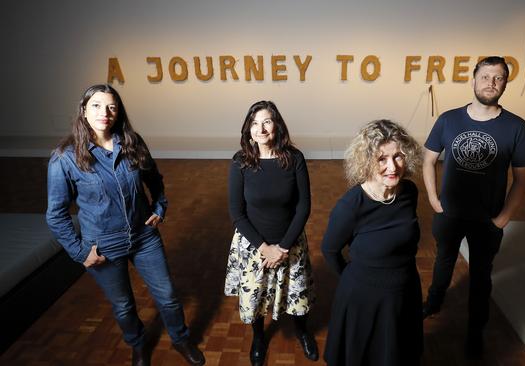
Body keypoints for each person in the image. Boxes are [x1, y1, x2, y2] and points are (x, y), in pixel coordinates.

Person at [46, 84, 205, 366]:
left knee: (167, 297)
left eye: (111, 106)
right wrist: (80, 252)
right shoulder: (64, 157)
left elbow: (154, 180)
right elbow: (56, 214)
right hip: (103, 245)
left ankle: (180, 339)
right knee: (123, 306)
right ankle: (139, 344)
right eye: (96, 105)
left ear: (118, 112)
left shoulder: (132, 142)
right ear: (83, 110)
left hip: (144, 236)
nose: (104, 113)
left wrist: (159, 207)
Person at [421, 56, 525, 358]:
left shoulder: (517, 127)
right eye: (486, 76)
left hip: (488, 220)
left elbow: (522, 180)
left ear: (505, 84)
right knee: (443, 261)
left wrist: (503, 218)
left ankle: (475, 331)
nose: (491, 83)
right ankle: (434, 302)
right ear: (473, 80)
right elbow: (429, 159)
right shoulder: (448, 119)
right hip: (449, 214)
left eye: (498, 78)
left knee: (481, 276)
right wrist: (434, 199)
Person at [321, 120, 423, 366]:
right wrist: (354, 278)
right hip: (365, 298)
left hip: (405, 292)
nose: (392, 167)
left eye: (398, 157)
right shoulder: (351, 205)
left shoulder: (409, 192)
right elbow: (330, 249)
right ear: (366, 161)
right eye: (382, 159)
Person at [225, 100, 318, 366]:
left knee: (298, 296)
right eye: (254, 123)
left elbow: (304, 206)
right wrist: (264, 248)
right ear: (248, 129)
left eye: (266, 121)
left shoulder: (294, 159)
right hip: (254, 246)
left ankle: (302, 332)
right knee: (255, 299)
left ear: (276, 125)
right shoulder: (240, 162)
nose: (260, 129)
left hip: (290, 243)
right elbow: (236, 213)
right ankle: (258, 338)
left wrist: (284, 247)